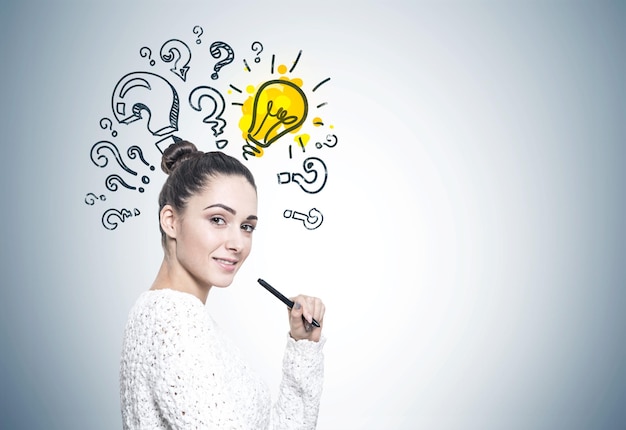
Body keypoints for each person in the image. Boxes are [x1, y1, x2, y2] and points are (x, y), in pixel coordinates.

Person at [119, 140, 326, 429]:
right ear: (171, 221)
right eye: (218, 219)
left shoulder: (167, 313)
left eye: (246, 226)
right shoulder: (174, 320)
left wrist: (303, 345)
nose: (238, 243)